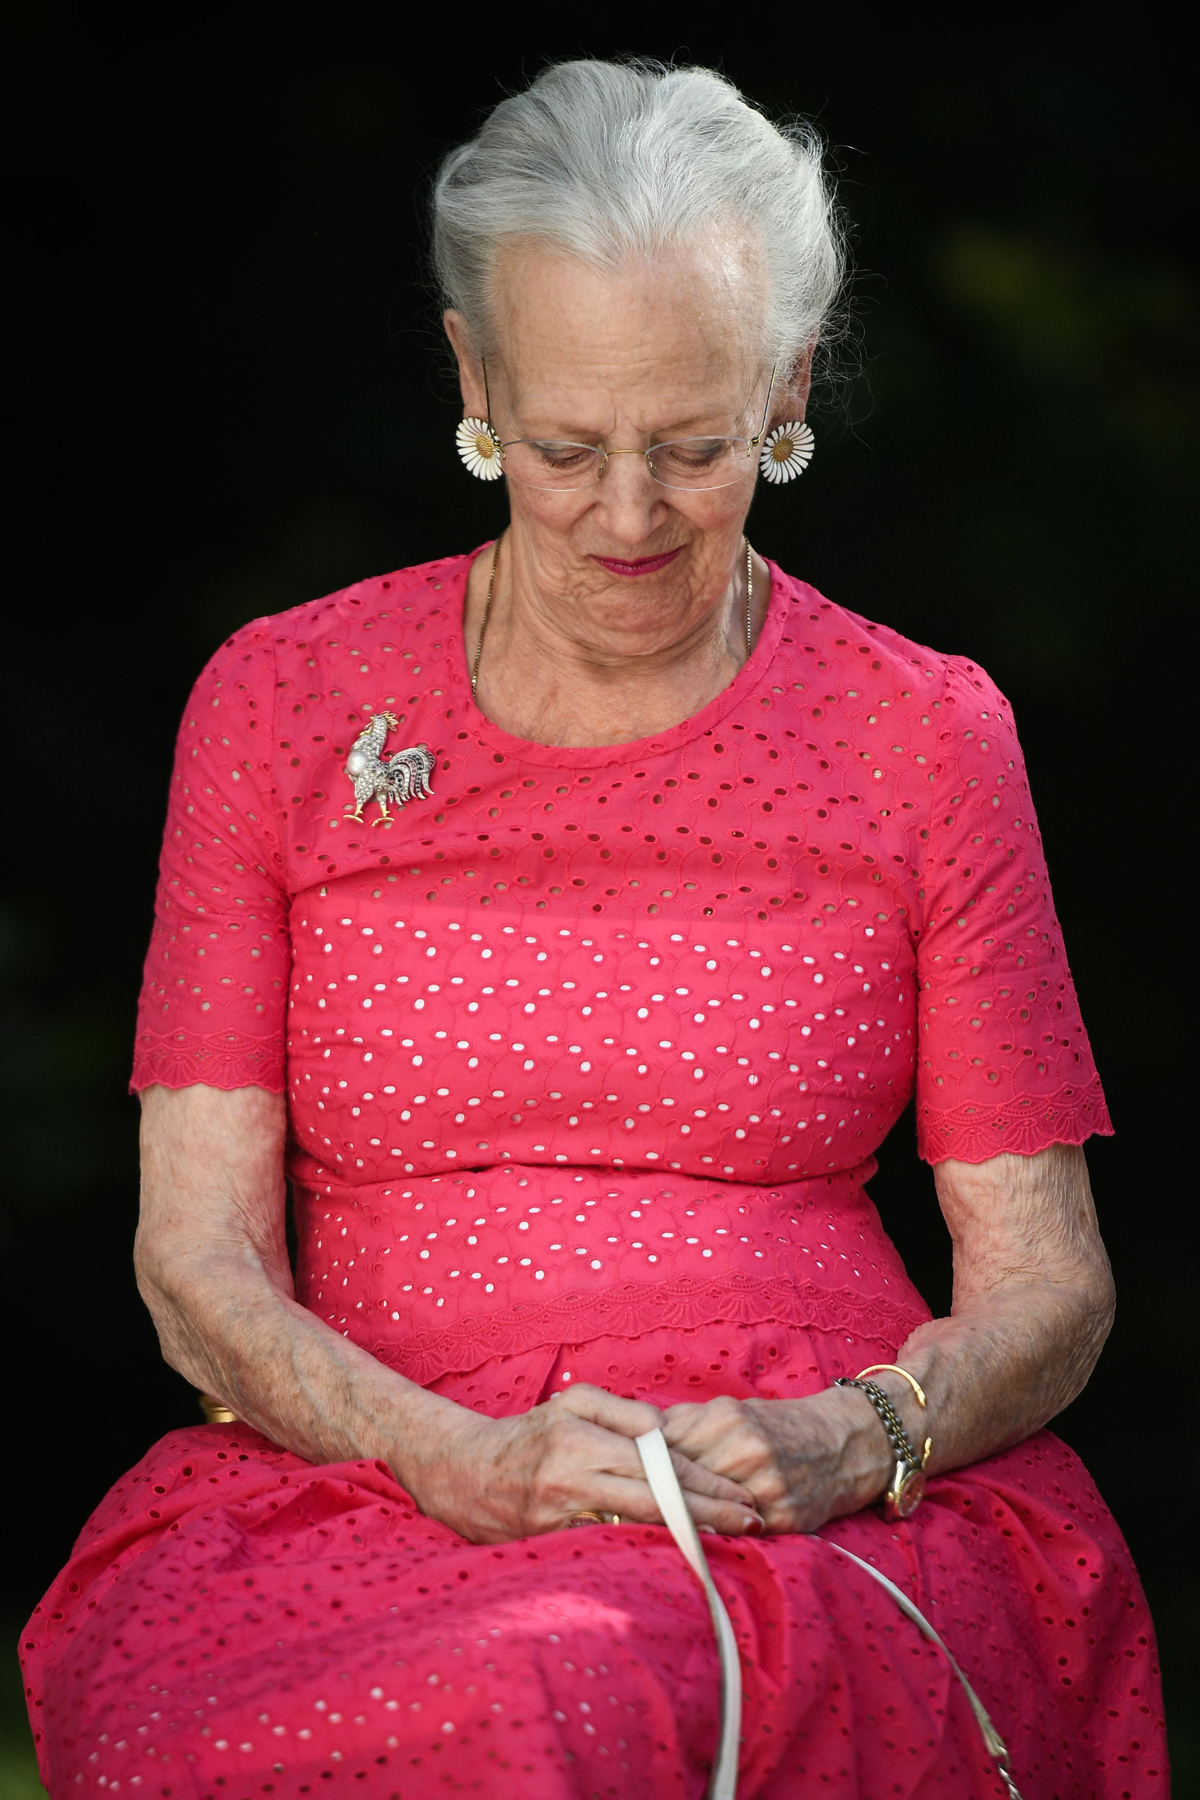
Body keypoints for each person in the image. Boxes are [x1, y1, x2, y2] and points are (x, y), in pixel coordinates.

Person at [22, 59, 1166, 1799]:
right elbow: (197, 1265)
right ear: (477, 378)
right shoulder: (280, 701)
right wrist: (452, 1461)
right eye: (567, 448)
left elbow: (1052, 1287)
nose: (627, 520)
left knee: (583, 1702)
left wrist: (850, 1441)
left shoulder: (927, 735)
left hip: (789, 1489)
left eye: (695, 449)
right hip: (372, 1466)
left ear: (784, 385)